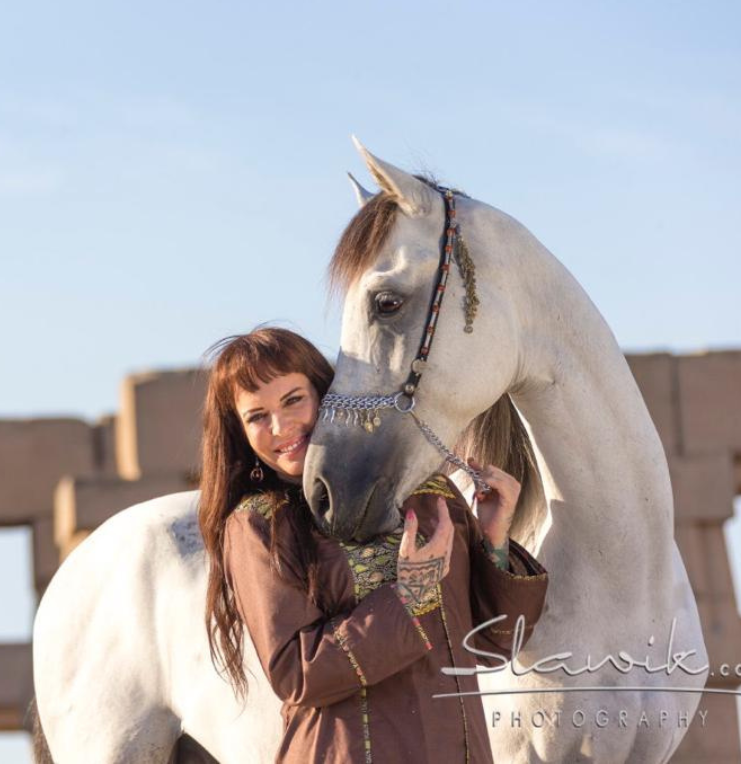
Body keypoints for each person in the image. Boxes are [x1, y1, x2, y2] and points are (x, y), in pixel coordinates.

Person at [199, 326, 548, 764]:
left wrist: (494, 540)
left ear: (325, 394)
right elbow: (297, 673)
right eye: (257, 416)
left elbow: (494, 642)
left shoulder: (424, 491)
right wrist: (409, 597)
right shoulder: (259, 525)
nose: (281, 426)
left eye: (293, 400)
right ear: (240, 431)